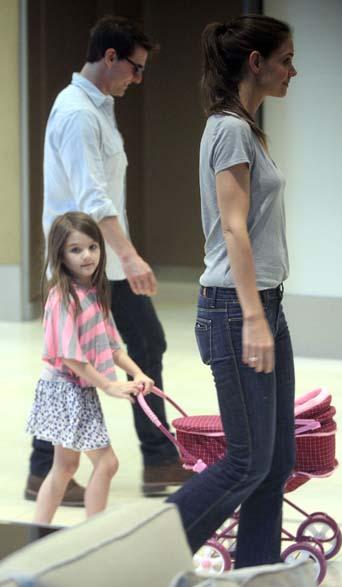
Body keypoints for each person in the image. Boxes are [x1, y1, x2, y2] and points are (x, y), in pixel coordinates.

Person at [25, 16, 191, 505]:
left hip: (101, 263)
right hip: (87, 264)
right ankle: (151, 460)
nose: (138, 80)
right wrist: (131, 257)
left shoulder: (97, 107)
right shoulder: (78, 113)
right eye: (134, 69)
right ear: (110, 57)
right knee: (77, 360)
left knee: (137, 347)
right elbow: (92, 199)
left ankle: (148, 460)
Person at [167, 15, 298, 568]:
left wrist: (262, 312)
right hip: (234, 308)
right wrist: (251, 318)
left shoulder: (243, 127)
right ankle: (145, 550)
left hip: (264, 302)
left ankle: (256, 572)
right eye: (286, 58)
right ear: (255, 62)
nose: (293, 69)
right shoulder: (230, 129)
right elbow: (233, 227)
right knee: (246, 461)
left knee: (275, 460)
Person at [26, 212, 155, 522]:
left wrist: (137, 372)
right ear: (60, 254)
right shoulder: (63, 297)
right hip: (64, 390)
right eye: (75, 249)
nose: (87, 256)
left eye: (93, 247)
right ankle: (92, 535)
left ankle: (37, 533)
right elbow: (70, 356)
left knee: (65, 467)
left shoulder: (94, 293)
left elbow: (111, 346)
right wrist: (109, 385)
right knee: (106, 464)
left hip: (77, 390)